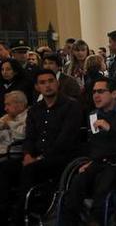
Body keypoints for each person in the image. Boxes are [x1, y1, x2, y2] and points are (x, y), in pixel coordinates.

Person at [0, 69, 82, 224]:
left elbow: (65, 139)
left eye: (51, 81)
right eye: (43, 83)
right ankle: (4, 214)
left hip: (61, 157)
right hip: (35, 156)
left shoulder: (71, 106)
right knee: (5, 167)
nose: (48, 85)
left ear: (57, 83)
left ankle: (21, 217)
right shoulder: (35, 109)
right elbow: (29, 137)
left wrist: (40, 157)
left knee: (29, 169)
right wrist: (27, 155)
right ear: (37, 87)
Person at [61, 77, 116, 226]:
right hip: (101, 160)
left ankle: (96, 221)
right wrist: (91, 160)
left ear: (113, 94)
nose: (96, 96)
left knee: (106, 179)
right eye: (94, 92)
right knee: (78, 180)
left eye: (101, 91)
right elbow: (95, 144)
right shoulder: (93, 115)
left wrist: (111, 129)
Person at [0, 91, 27, 155]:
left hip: (14, 154)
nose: (5, 109)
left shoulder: (29, 116)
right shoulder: (7, 117)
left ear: (21, 105)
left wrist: (9, 124)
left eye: (8, 104)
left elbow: (21, 136)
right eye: (5, 105)